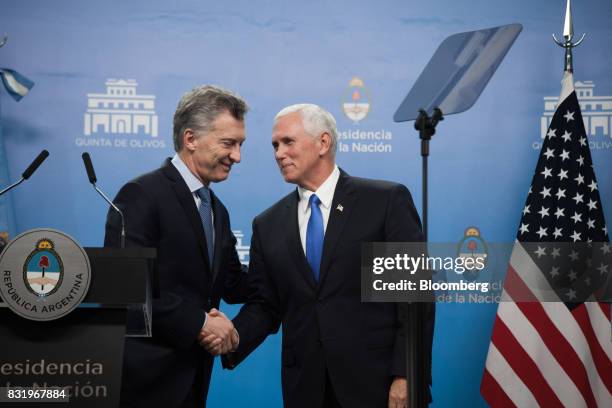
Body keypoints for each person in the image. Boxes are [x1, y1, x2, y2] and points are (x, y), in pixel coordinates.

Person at [212, 104, 434, 407]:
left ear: (323, 143)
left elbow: (414, 299)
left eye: (288, 142)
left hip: (379, 386)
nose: (278, 153)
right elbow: (265, 305)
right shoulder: (268, 224)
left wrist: (407, 374)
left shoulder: (383, 203)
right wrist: (232, 335)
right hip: (307, 389)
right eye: (275, 145)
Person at [105, 85, 251, 408]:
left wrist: (294, 264)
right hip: (142, 385)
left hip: (194, 382)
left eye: (241, 144)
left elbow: (233, 284)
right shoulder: (142, 194)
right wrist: (200, 322)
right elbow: (124, 292)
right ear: (190, 139)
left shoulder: (217, 210)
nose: (237, 156)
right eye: (228, 143)